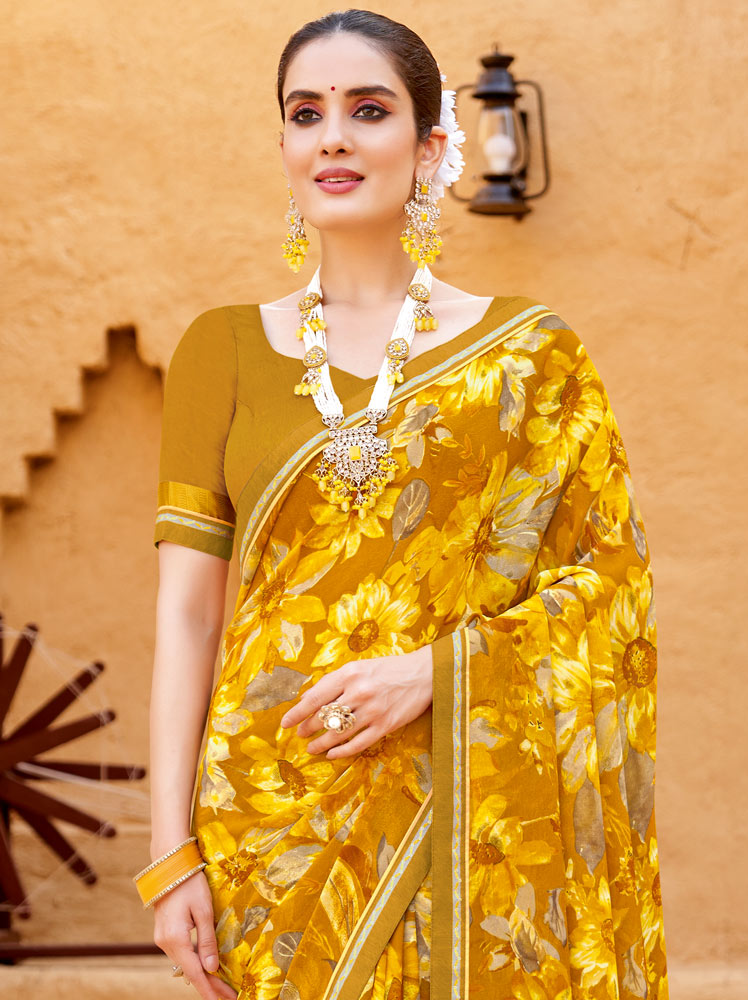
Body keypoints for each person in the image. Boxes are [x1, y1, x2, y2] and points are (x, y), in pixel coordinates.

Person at [134, 9, 669, 1000]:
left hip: (469, 819)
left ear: (429, 147)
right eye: (306, 113)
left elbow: (609, 587)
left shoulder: (531, 357)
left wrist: (435, 673)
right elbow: (188, 616)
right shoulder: (219, 351)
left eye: (368, 110)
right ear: (284, 146)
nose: (331, 137)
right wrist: (172, 856)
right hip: (270, 821)